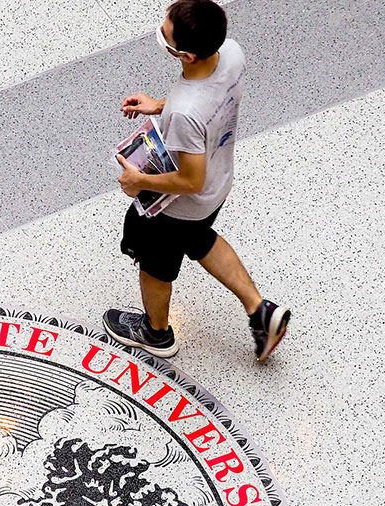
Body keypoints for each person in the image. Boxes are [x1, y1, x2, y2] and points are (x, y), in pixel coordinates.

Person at [105, 0, 290, 361]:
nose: (161, 31)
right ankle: (260, 311)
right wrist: (160, 105)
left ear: (186, 56)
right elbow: (208, 103)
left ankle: (155, 333)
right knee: (199, 238)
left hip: (183, 203)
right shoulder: (231, 53)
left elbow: (190, 179)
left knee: (154, 261)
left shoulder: (186, 112)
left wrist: (138, 179)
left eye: (167, 32)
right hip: (218, 185)